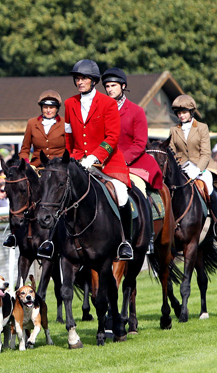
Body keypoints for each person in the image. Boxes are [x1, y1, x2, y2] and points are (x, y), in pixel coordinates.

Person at [61, 59, 133, 260]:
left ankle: (124, 241)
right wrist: (71, 160)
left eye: (83, 78)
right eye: (77, 78)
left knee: (122, 194)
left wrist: (94, 156)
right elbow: (68, 136)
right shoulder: (69, 103)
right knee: (58, 194)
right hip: (77, 163)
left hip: (106, 163)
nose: (79, 82)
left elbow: (112, 137)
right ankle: (52, 241)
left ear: (93, 80)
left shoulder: (108, 103)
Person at [168, 94, 217, 237]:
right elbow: (172, 152)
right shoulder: (174, 130)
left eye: (184, 112)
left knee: (208, 185)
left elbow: (205, 153)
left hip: (200, 165)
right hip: (181, 167)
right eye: (179, 113)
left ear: (191, 112)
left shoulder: (202, 127)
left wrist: (197, 170)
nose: (181, 115)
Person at [19, 90, 66, 167]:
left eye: (51, 107)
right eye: (45, 107)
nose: (48, 110)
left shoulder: (64, 123)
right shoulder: (32, 123)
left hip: (59, 166)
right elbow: (25, 149)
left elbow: (70, 148)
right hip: (37, 165)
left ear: (57, 109)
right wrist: (26, 164)